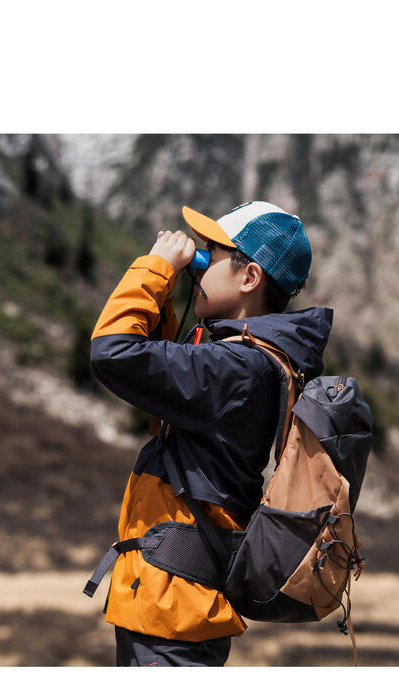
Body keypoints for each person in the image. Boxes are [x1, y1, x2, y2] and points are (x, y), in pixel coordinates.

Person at [89, 201, 333, 666]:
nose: (198, 263)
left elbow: (112, 352)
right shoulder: (245, 360)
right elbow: (157, 380)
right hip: (173, 605)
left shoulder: (236, 366)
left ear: (249, 278)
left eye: (211, 255)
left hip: (173, 613)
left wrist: (156, 268)